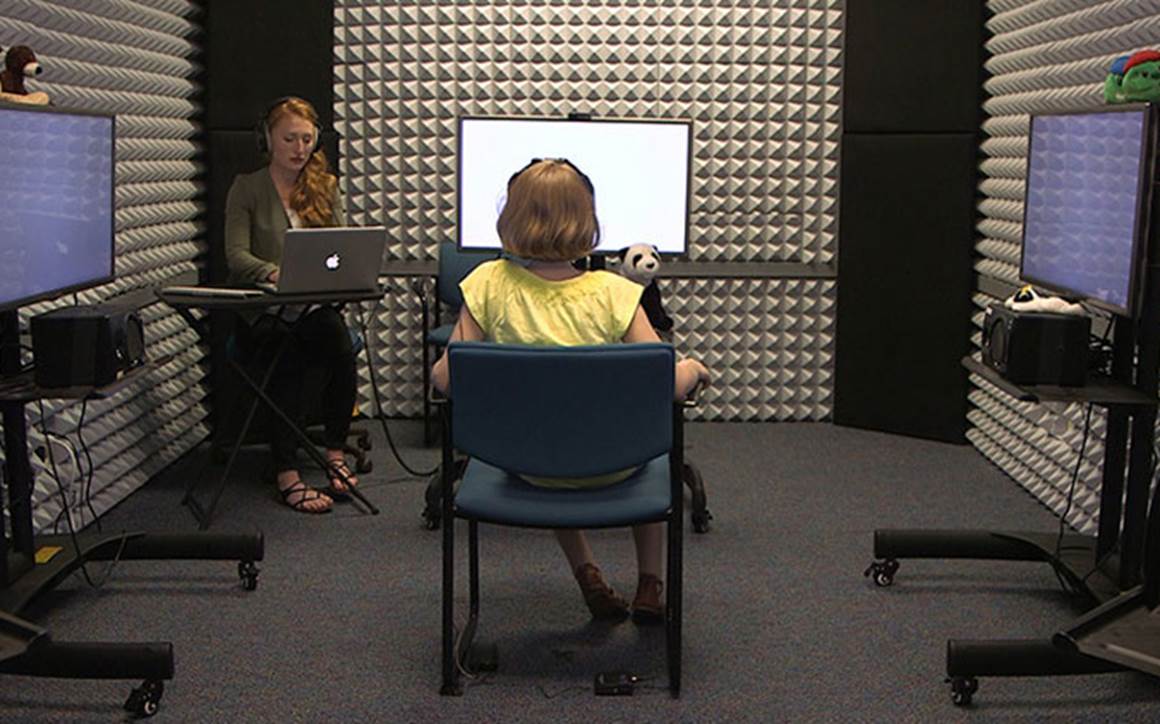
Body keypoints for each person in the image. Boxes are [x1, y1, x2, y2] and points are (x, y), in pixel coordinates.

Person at [431, 159, 710, 623]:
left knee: (555, 440)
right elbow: (664, 383)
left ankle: (589, 576)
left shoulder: (486, 285)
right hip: (615, 463)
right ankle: (650, 584)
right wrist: (693, 369)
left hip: (526, 463)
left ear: (511, 219)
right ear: (587, 220)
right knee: (652, 444)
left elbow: (445, 380)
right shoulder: (616, 293)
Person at [224, 96, 358, 514]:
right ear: (268, 140)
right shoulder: (246, 188)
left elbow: (341, 247)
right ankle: (287, 473)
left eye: (306, 139)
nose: (299, 148)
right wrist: (275, 272)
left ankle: (334, 453)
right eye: (289, 139)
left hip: (312, 308)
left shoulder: (325, 187)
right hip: (263, 312)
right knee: (291, 352)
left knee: (337, 341)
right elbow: (236, 256)